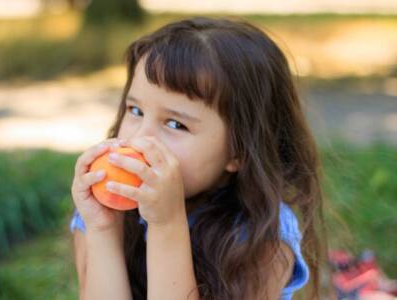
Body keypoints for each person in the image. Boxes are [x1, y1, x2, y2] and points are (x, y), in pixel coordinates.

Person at [69, 16, 331, 300]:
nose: (139, 140)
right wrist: (104, 230)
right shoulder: (107, 210)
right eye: (135, 110)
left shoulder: (263, 236)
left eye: (175, 124)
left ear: (238, 151)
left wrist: (166, 226)